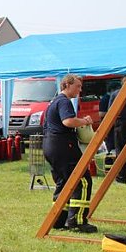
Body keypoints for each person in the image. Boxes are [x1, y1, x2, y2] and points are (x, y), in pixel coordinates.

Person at [43, 74, 97, 232]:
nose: (80, 90)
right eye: (78, 86)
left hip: (50, 145)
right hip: (63, 146)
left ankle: (58, 219)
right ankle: (77, 221)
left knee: (64, 182)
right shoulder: (64, 101)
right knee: (82, 180)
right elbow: (68, 121)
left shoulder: (55, 101)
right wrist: (85, 121)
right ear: (67, 85)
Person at [110, 78, 126, 184]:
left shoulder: (116, 94)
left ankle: (121, 177)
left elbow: (111, 111)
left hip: (120, 123)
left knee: (120, 151)